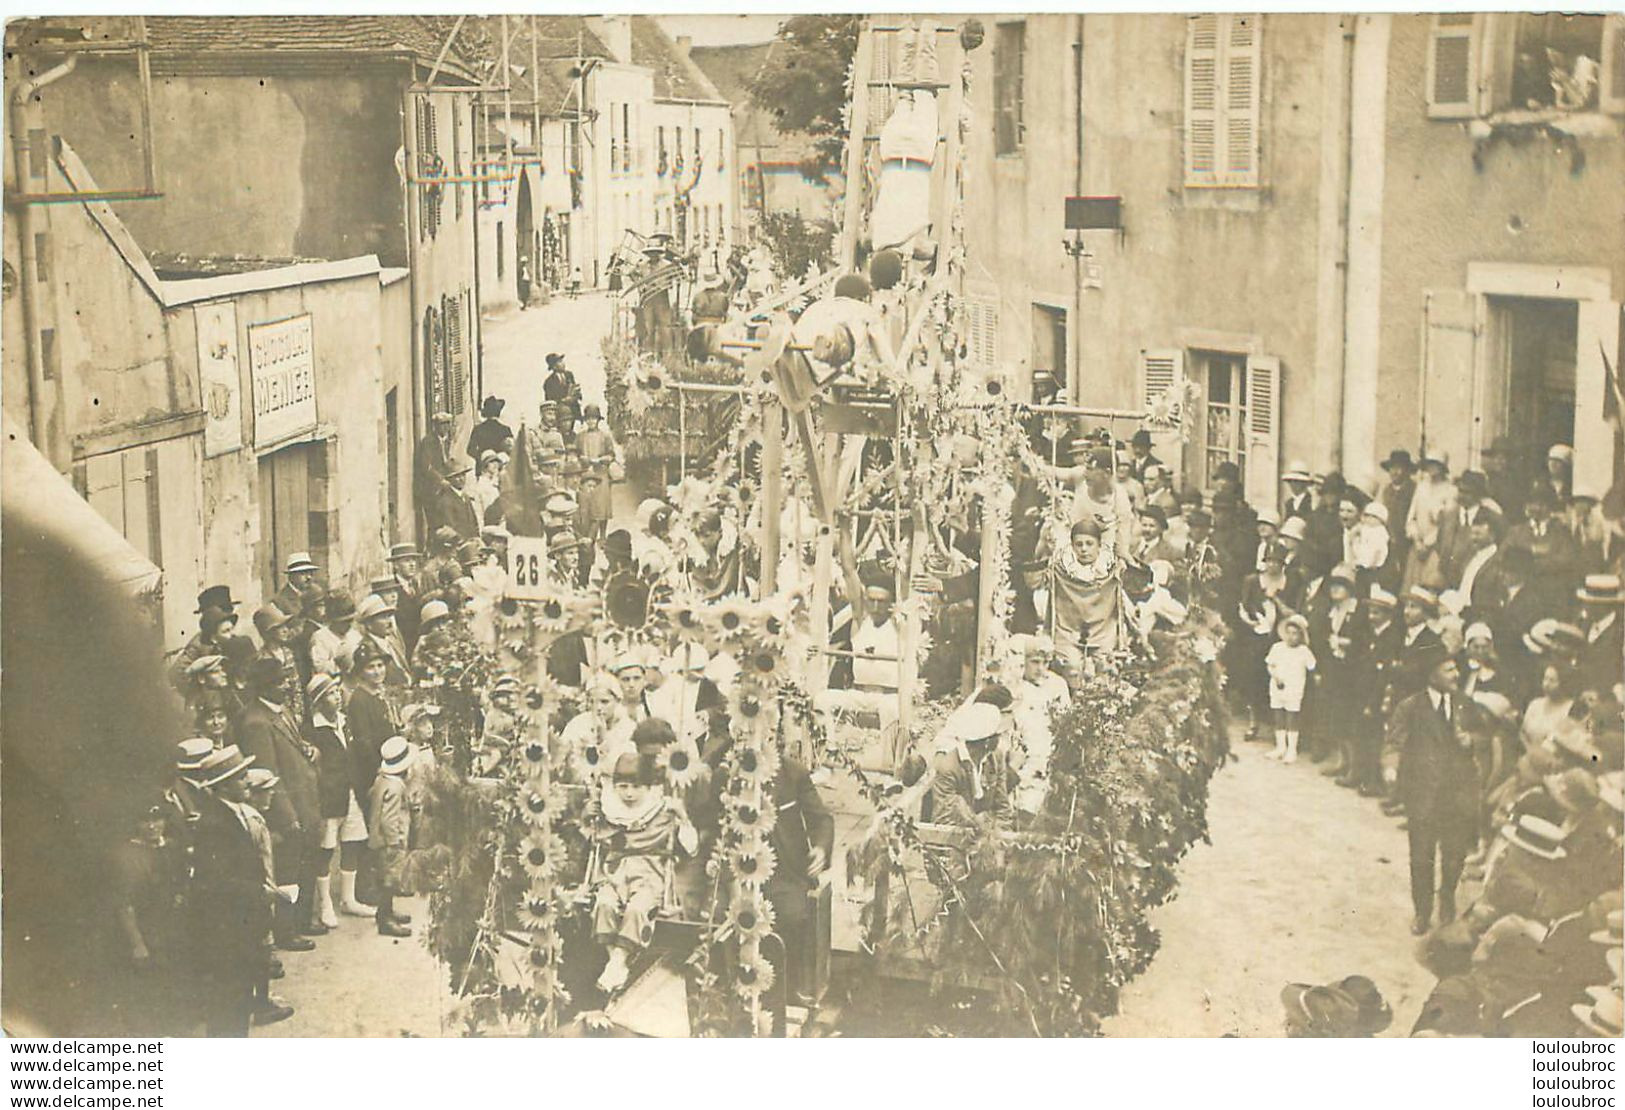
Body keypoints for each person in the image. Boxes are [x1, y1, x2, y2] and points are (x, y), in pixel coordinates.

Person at [589, 751, 698, 993]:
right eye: (623, 786)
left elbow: (691, 848)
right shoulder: (610, 810)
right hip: (615, 873)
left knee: (638, 909)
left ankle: (617, 962)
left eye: (636, 787)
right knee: (604, 904)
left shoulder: (661, 811)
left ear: (648, 787)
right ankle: (616, 963)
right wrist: (591, 815)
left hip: (648, 874)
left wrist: (683, 818)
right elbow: (596, 840)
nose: (629, 793)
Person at [235, 656, 323, 949]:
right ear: (266, 687)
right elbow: (268, 775)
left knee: (304, 865)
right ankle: (287, 930)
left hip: (305, 802)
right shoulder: (256, 723)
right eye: (281, 682)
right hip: (289, 810)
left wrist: (309, 750)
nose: (287, 686)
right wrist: (288, 818)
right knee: (288, 873)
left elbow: (295, 746)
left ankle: (302, 919)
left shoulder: (280, 712)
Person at [189, 745, 275, 1035]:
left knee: (238, 1003)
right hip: (227, 931)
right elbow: (217, 882)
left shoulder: (232, 814)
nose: (248, 782)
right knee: (228, 1006)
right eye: (240, 778)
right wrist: (259, 892)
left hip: (240, 926)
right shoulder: (214, 824)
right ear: (224, 786)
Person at [1394, 645, 1479, 935]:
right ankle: (1422, 912)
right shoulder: (1410, 706)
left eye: (1456, 668)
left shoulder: (1465, 704)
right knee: (1421, 856)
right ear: (1431, 675)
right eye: (1449, 669)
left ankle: (1447, 900)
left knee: (1455, 854)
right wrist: (1392, 771)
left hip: (1457, 794)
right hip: (1423, 794)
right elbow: (1394, 742)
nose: (1456, 674)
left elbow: (1486, 736)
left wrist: (1472, 741)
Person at [304, 673, 374, 925]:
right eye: (331, 695)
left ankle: (348, 899)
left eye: (337, 692)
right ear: (320, 702)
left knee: (352, 843)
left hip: (351, 792)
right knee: (326, 849)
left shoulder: (344, 723)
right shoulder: (313, 729)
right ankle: (325, 903)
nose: (338, 697)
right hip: (330, 797)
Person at [927, 700, 1010, 827]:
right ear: (987, 742)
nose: (1000, 739)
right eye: (998, 735)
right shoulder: (948, 768)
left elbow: (1003, 808)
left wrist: (997, 834)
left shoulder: (996, 758)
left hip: (988, 835)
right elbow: (944, 820)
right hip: (958, 837)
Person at [366, 736, 417, 938]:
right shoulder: (396, 788)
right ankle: (384, 919)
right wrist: (395, 842)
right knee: (390, 879)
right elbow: (389, 819)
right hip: (390, 842)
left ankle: (387, 912)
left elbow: (372, 796)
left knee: (385, 876)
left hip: (378, 838)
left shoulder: (382, 780)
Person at [172, 585, 257, 691]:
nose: (229, 613)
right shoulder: (198, 644)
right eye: (225, 610)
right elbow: (177, 675)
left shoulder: (235, 641)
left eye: (229, 610)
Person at [1266, 614, 1317, 764]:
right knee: (1278, 715)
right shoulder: (1277, 647)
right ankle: (1280, 747)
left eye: (1295, 634)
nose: (1291, 637)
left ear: (1301, 635)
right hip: (1277, 686)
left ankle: (1291, 749)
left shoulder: (1304, 651)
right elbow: (1270, 665)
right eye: (1288, 633)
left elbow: (1312, 667)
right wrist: (1276, 677)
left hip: (1294, 688)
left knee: (1292, 717)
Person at [1404, 453, 1458, 591]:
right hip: (1417, 548)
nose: (1432, 468)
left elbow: (1447, 523)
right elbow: (1411, 517)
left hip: (1435, 549)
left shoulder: (1451, 490)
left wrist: (1428, 544)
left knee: (1430, 585)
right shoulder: (1421, 487)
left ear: (1442, 467)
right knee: (1412, 587)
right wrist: (1416, 540)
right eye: (1429, 464)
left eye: (1436, 464)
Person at [575, 404, 620, 543]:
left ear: (598, 420)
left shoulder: (605, 436)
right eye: (588, 419)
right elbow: (576, 454)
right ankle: (589, 534)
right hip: (586, 473)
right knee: (588, 504)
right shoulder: (580, 437)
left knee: (602, 506)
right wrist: (582, 459)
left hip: (601, 473)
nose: (591, 422)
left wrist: (601, 459)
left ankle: (603, 535)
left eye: (593, 419)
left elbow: (611, 455)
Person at [415, 412, 458, 533]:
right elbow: (426, 466)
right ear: (435, 426)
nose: (446, 427)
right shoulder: (428, 442)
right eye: (442, 424)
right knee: (434, 523)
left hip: (442, 490)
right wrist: (440, 480)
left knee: (445, 521)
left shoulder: (445, 440)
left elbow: (445, 461)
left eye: (447, 424)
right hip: (430, 490)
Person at [467, 396, 512, 465]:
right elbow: (512, 450)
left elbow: (470, 450)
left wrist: (481, 457)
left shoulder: (478, 429)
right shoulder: (505, 430)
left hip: (483, 466)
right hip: (501, 466)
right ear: (498, 412)